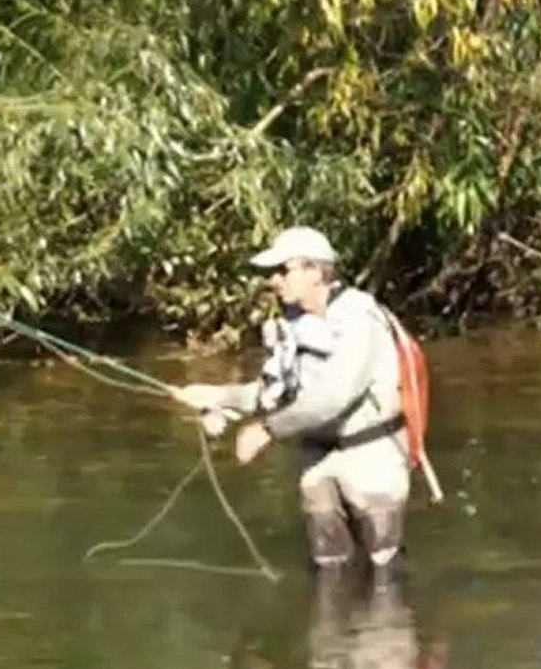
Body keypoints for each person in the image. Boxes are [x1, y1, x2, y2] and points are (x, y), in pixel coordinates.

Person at [172, 226, 420, 574]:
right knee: (328, 572)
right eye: (271, 273)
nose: (273, 280)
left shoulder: (360, 318)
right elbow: (276, 391)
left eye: (283, 270)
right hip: (317, 461)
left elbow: (333, 396)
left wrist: (266, 430)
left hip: (371, 458)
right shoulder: (293, 325)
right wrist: (219, 396)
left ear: (316, 271)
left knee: (384, 577)